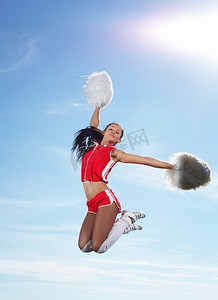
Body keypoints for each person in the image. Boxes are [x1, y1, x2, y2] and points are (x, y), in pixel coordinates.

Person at [72, 107, 174, 254]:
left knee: (99, 248)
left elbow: (144, 160)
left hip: (105, 201)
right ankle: (122, 227)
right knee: (84, 246)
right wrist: (98, 106)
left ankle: (128, 217)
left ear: (119, 140)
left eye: (117, 132)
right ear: (103, 132)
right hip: (92, 203)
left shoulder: (114, 153)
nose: (113, 131)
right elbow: (93, 124)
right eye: (111, 129)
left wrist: (171, 166)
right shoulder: (93, 145)